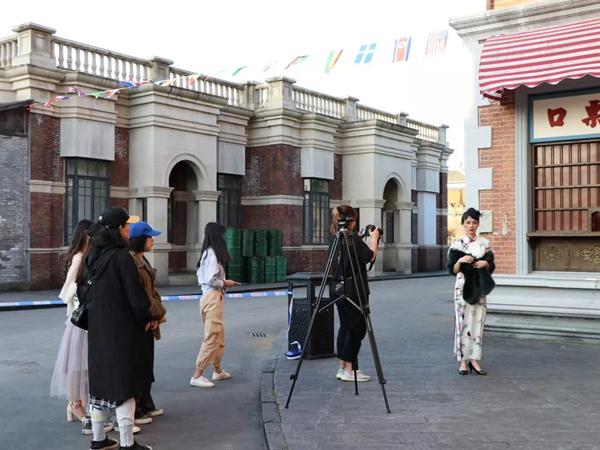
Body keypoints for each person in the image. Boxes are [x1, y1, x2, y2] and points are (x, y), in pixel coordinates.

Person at [84, 206, 155, 450]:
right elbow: (137, 299)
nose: (129, 229)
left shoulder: (93, 256)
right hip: (122, 331)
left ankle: (98, 440)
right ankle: (127, 443)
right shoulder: (122, 258)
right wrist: (147, 318)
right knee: (125, 386)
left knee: (100, 386)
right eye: (126, 225)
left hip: (97, 329)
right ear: (118, 229)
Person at [50, 219, 100, 434]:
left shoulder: (85, 256)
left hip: (85, 319)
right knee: (76, 366)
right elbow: (68, 289)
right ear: (86, 235)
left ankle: (80, 404)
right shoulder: (79, 258)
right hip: (80, 321)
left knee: (84, 366)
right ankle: (75, 404)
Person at [329, 205, 379, 383]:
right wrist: (374, 239)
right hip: (355, 290)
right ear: (350, 220)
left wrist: (360, 238)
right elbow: (369, 257)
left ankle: (342, 367)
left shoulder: (335, 238)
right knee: (356, 329)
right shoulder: (352, 238)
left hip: (338, 289)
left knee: (345, 327)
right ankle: (351, 369)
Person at [190, 222, 239, 388]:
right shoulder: (212, 254)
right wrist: (226, 282)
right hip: (212, 297)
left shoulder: (206, 253)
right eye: (222, 235)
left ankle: (217, 370)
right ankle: (197, 375)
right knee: (212, 336)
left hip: (208, 297)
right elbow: (211, 279)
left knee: (218, 335)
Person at [447, 207, 496, 376]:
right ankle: (463, 360)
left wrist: (486, 264)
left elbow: (491, 266)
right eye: (468, 222)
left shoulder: (484, 243)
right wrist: (460, 260)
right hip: (462, 288)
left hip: (479, 288)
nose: (471, 226)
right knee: (462, 323)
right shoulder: (456, 245)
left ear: (478, 224)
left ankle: (474, 359)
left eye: (474, 222)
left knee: (478, 323)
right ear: (463, 224)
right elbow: (452, 270)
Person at [128, 221, 167, 424]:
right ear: (139, 239)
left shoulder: (142, 259)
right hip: (140, 321)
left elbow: (152, 291)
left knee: (146, 365)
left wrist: (157, 315)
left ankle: (146, 404)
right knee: (139, 366)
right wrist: (150, 316)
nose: (152, 240)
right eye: (149, 237)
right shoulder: (131, 261)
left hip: (150, 318)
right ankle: (136, 409)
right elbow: (140, 294)